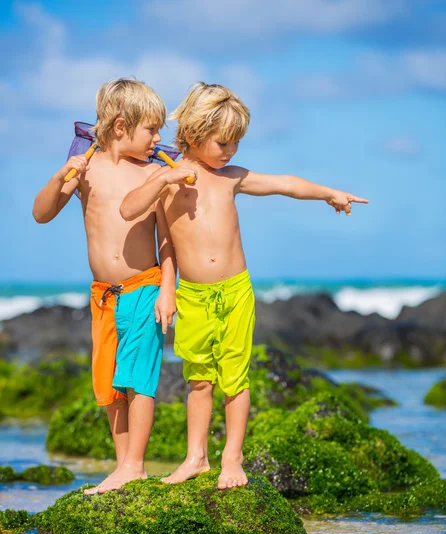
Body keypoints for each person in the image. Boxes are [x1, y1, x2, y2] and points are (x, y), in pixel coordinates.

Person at [120, 82, 368, 490]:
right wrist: (165, 181)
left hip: (235, 292)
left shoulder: (230, 178)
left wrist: (329, 193)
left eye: (236, 143)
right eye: (223, 143)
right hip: (194, 295)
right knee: (198, 380)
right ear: (195, 136)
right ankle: (196, 458)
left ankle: (232, 458)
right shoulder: (166, 179)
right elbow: (133, 212)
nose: (231, 151)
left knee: (235, 377)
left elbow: (285, 184)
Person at [33, 78, 196, 494]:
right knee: (108, 385)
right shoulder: (87, 168)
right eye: (152, 130)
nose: (159, 138)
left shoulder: (156, 172)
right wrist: (60, 178)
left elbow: (166, 239)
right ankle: (123, 466)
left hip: (144, 286)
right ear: (121, 127)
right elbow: (41, 214)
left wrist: (168, 288)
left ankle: (135, 465)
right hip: (103, 294)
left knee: (137, 379)